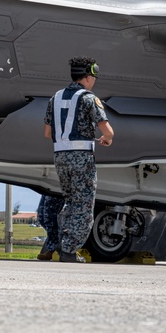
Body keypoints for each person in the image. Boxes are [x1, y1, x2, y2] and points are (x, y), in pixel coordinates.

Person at [43, 56, 114, 263]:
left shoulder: (54, 98)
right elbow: (108, 131)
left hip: (60, 156)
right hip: (81, 157)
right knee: (83, 205)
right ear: (88, 77)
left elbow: (47, 133)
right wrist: (106, 139)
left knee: (70, 200)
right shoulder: (89, 98)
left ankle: (61, 242)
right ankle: (69, 250)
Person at [35, 194, 63, 260]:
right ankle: (53, 246)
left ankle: (54, 249)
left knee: (52, 218)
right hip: (47, 189)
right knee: (42, 217)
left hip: (57, 189)